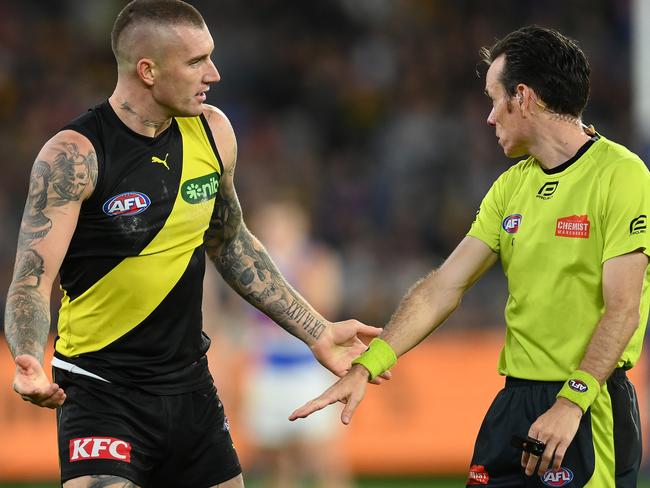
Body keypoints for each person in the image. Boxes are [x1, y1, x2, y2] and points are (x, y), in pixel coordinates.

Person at [2, 1, 384, 487]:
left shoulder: (213, 131)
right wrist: (30, 356)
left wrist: (315, 330)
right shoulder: (74, 155)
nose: (215, 74)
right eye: (196, 61)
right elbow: (30, 282)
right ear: (148, 70)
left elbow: (230, 242)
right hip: (102, 392)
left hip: (191, 391)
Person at [290, 25, 650, 488]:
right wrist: (369, 363)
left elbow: (622, 308)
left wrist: (572, 402)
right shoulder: (510, 187)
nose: (488, 117)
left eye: (493, 99)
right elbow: (445, 285)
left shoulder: (622, 176)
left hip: (587, 403)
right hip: (515, 402)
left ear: (523, 97)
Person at [240, 200, 353, 488]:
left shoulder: (315, 260)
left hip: (306, 368)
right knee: (278, 459)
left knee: (324, 457)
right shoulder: (249, 265)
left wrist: (293, 271)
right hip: (268, 367)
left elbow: (327, 303)